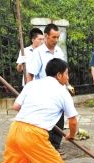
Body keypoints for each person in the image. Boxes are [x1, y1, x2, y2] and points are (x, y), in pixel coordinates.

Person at [0, 58, 78, 163]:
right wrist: (71, 135)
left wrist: (34, 108)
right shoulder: (63, 92)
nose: (68, 77)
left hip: (15, 129)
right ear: (59, 75)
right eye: (67, 74)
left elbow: (16, 106)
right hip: (34, 134)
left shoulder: (32, 85)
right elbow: (73, 121)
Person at [26, 23, 67, 155]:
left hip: (58, 92)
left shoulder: (59, 51)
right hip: (43, 94)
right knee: (44, 122)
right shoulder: (38, 53)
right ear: (46, 36)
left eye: (57, 37)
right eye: (53, 37)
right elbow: (30, 74)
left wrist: (67, 85)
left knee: (59, 120)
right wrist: (28, 93)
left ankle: (55, 146)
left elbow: (64, 71)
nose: (55, 40)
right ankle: (43, 147)